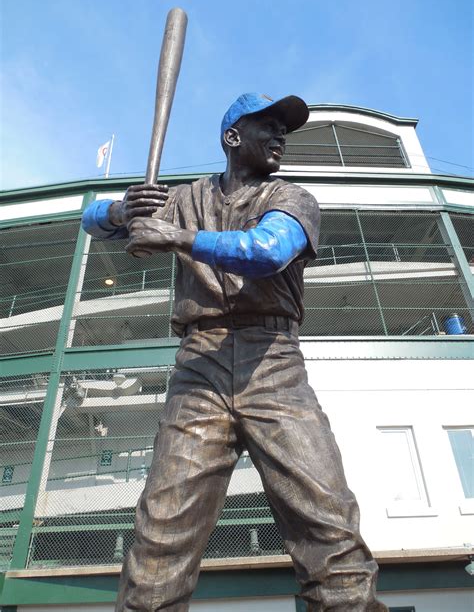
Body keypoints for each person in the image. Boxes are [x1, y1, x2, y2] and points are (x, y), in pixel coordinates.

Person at [82, 93, 387, 612]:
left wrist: (175, 235)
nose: (279, 136)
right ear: (232, 139)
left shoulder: (291, 198)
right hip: (198, 365)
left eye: (283, 130)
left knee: (327, 525)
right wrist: (122, 208)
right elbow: (90, 220)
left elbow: (265, 252)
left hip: (273, 365)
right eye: (266, 126)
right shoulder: (182, 197)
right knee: (161, 535)